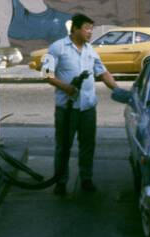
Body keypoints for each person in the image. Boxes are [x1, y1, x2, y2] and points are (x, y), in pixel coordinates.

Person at [40, 13, 124, 196]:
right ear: (75, 29)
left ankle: (86, 178)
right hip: (66, 109)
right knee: (63, 146)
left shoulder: (90, 50)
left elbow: (102, 73)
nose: (90, 32)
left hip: (87, 108)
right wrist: (66, 87)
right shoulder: (57, 47)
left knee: (87, 145)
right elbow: (46, 74)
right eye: (87, 28)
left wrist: (118, 90)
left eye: (91, 29)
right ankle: (60, 182)